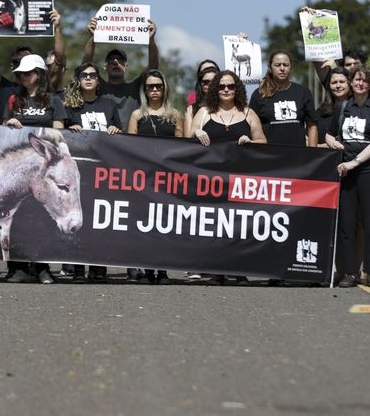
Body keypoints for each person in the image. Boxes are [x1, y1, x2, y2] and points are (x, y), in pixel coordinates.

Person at [190, 70, 266, 286]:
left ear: (237, 89)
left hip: (240, 180)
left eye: (230, 86)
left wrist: (250, 141)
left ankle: (239, 270)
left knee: (239, 226)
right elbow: (188, 138)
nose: (226, 90)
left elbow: (263, 141)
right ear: (215, 89)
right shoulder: (204, 112)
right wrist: (197, 133)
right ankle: (216, 270)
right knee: (214, 225)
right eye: (222, 86)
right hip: (210, 180)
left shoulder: (248, 113)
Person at [2, 54, 66, 285]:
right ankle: (16, 268)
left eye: (27, 73)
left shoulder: (53, 101)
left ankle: (42, 267)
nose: (22, 77)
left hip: (44, 171)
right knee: (14, 214)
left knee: (43, 217)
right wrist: (9, 123)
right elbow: (1, 131)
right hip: (18, 170)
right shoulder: (13, 100)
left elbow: (60, 133)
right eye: (20, 74)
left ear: (39, 74)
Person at [325, 66, 370, 288]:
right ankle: (348, 272)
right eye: (357, 80)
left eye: (364, 81)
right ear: (351, 83)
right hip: (346, 174)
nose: (360, 83)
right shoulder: (343, 107)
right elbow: (329, 133)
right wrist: (334, 143)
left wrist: (355, 162)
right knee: (346, 224)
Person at [64, 62, 122, 283]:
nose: (88, 78)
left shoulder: (109, 106)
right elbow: (60, 134)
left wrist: (116, 131)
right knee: (80, 222)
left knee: (100, 222)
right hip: (79, 173)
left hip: (104, 173)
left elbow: (121, 137)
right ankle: (78, 268)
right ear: (78, 80)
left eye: (93, 75)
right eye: (84, 75)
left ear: (99, 80)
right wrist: (70, 129)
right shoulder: (70, 107)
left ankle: (99, 268)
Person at [127, 69, 183, 285]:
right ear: (145, 90)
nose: (154, 90)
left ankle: (162, 271)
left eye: (158, 86)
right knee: (145, 225)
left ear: (165, 89)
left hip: (168, 179)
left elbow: (183, 148)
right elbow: (128, 148)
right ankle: (147, 270)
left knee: (164, 226)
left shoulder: (176, 115)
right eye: (150, 86)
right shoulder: (137, 115)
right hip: (144, 178)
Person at [82, 16, 158, 130]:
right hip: (104, 141)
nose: (116, 62)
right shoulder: (99, 86)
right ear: (105, 67)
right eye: (111, 60)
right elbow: (86, 65)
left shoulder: (135, 87)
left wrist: (151, 40)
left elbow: (153, 66)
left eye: (120, 60)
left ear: (126, 66)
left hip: (130, 142)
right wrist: (93, 37)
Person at [249, 50, 318, 146]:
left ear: (291, 67)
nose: (282, 68)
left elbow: (312, 126)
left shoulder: (303, 92)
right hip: (268, 156)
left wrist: (313, 155)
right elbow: (251, 126)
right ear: (270, 68)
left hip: (298, 156)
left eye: (285, 65)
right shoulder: (259, 94)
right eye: (277, 65)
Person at [316, 67, 351, 146]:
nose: (338, 85)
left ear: (349, 83)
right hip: (325, 156)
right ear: (329, 86)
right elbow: (307, 138)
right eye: (334, 82)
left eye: (342, 82)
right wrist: (322, 147)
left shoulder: (358, 109)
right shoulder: (321, 112)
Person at [184, 62, 219, 137]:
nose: (209, 85)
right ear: (200, 83)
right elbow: (187, 141)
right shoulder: (191, 110)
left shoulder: (229, 107)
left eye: (213, 82)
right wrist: (195, 132)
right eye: (205, 82)